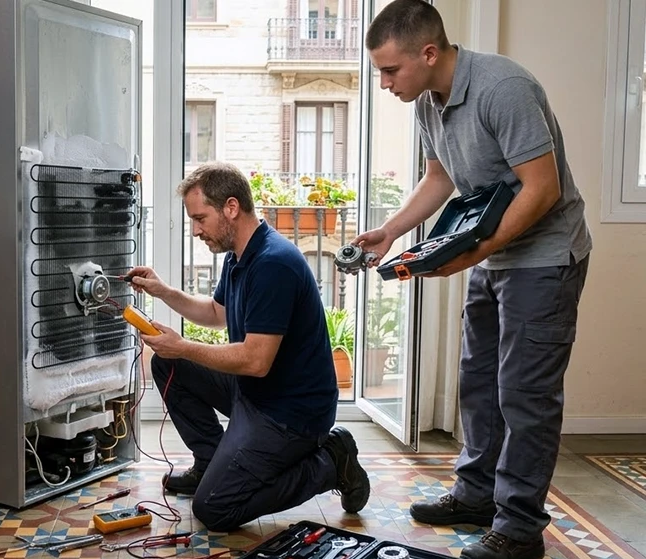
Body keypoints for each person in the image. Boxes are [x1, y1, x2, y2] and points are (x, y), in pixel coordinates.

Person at [355, 2, 592, 559]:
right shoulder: (429, 102)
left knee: (525, 395)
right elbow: (439, 177)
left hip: (546, 257)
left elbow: (543, 188)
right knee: (479, 383)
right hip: (495, 254)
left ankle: (518, 528)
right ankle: (477, 493)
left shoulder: (503, 87)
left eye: (391, 71)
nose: (385, 83)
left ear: (429, 53)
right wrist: (391, 231)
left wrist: (469, 257)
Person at [125, 161, 370, 533]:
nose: (195, 230)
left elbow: (256, 361)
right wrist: (163, 291)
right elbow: (216, 313)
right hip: (257, 394)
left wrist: (183, 346)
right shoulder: (239, 255)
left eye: (200, 218)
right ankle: (209, 463)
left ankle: (332, 463)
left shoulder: (274, 264)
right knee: (167, 364)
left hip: (291, 414)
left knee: (214, 509)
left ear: (231, 208)